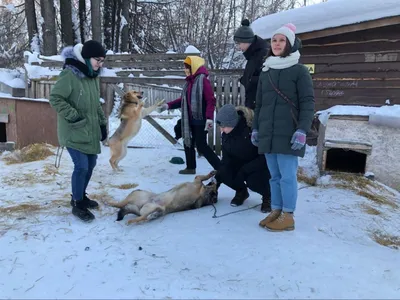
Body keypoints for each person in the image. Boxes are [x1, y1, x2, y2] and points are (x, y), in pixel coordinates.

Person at [252, 23, 315, 231]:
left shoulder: (299, 71)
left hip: (289, 132)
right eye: (274, 40)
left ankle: (288, 215)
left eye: (281, 40)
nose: (277, 44)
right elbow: (259, 104)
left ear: (289, 44)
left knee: (287, 176)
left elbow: (307, 103)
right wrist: (256, 128)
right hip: (268, 133)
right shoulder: (266, 70)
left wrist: (302, 130)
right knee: (274, 176)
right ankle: (276, 210)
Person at [49, 40, 108, 222]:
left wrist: (102, 124)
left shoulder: (92, 76)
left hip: (88, 130)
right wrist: (73, 115)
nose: (100, 63)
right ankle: (77, 202)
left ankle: (80, 195)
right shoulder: (70, 74)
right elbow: (55, 98)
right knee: (81, 166)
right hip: (73, 129)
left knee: (90, 164)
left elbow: (96, 104)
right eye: (97, 59)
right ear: (87, 57)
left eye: (102, 60)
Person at [157, 56, 220, 174]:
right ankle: (190, 168)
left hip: (200, 120)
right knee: (188, 142)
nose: (185, 70)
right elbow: (183, 100)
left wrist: (209, 118)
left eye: (187, 68)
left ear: (194, 67)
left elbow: (211, 100)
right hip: (189, 119)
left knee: (201, 146)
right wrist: (167, 106)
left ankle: (220, 168)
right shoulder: (189, 82)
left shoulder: (202, 81)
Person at [215, 104, 271, 212]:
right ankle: (242, 192)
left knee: (253, 181)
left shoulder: (250, 130)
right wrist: (218, 178)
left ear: (232, 123)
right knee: (224, 172)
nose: (221, 130)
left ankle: (268, 196)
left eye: (223, 126)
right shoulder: (227, 134)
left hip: (258, 166)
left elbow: (264, 157)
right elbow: (226, 158)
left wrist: (245, 170)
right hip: (240, 164)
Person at [234, 19, 269, 110]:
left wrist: (250, 80)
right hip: (253, 103)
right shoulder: (252, 56)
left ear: (246, 41)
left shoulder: (262, 55)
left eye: (239, 43)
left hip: (260, 106)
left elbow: (264, 80)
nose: (239, 47)